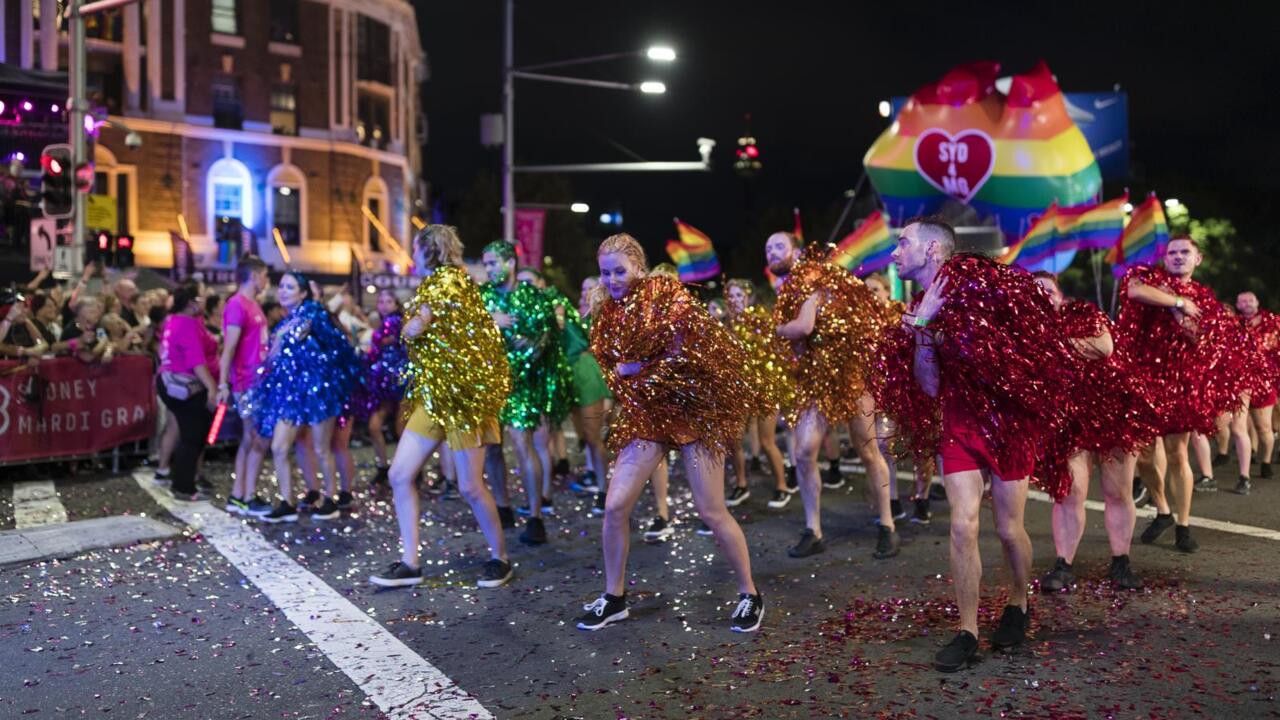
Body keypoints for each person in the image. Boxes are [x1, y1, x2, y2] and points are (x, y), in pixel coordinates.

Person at [877, 216, 1079, 671]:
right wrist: (925, 335)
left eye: (902, 243)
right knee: (962, 526)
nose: (894, 252)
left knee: (1009, 529)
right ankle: (967, 631)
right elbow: (929, 388)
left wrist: (944, 330)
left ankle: (1017, 601)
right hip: (960, 426)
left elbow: (1011, 359)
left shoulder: (983, 286)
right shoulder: (918, 305)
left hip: (1008, 425)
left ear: (931, 250)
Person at [575, 233, 763, 633]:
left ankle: (750, 593)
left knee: (711, 510)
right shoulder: (606, 314)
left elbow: (686, 353)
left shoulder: (666, 294)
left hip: (693, 413)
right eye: (605, 272)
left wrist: (639, 370)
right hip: (647, 417)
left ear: (639, 268)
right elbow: (613, 372)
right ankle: (614, 597)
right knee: (614, 506)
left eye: (619, 271)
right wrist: (633, 378)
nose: (611, 279)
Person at [369, 225, 514, 589]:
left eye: (415, 249)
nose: (412, 256)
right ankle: (410, 563)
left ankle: (500, 558)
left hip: (462, 398)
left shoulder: (447, 282)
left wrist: (415, 324)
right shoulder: (445, 282)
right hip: (435, 396)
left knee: (469, 486)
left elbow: (425, 322)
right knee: (400, 474)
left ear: (427, 250)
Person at [1117, 238, 1256, 552]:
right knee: (1146, 456)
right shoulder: (1150, 278)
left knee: (1179, 453)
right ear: (1165, 258)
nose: (1178, 257)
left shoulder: (1206, 300)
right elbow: (1134, 290)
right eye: (1172, 252)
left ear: (1198, 259)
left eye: (1185, 252)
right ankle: (1163, 510)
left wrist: (1183, 319)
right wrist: (1177, 302)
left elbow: (1201, 341)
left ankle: (1183, 524)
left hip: (1181, 383)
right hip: (1145, 380)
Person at [767, 231, 899, 559]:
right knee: (803, 452)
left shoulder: (809, 276)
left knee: (868, 451)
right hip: (815, 380)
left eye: (778, 246)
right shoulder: (787, 287)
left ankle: (887, 525)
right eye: (767, 248)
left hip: (850, 374)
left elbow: (803, 327)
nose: (771, 252)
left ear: (796, 251)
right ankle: (813, 530)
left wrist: (778, 330)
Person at [1032, 272, 1154, 592]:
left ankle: (1121, 562)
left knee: (1118, 491)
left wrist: (1049, 344)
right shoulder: (1022, 329)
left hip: (1113, 410)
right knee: (1070, 492)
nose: (1041, 295)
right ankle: (1063, 564)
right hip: (1066, 420)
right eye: (1033, 291)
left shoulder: (1082, 313)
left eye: (1047, 290)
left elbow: (1103, 347)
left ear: (1060, 295)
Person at [246, 270, 360, 523]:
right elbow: (276, 359)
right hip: (291, 395)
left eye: (289, 287)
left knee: (321, 448)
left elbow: (336, 345)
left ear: (303, 293)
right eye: (282, 286)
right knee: (278, 446)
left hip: (319, 392)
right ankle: (287, 502)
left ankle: (329, 499)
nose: (283, 291)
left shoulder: (313, 315)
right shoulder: (284, 323)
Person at [479, 241, 574, 543]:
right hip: (490, 383)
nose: (490, 269)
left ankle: (535, 516)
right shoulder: (482, 298)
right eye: (487, 264)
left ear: (510, 262)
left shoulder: (532, 296)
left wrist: (524, 342)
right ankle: (504, 506)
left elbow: (546, 340)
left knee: (523, 444)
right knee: (492, 447)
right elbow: (467, 335)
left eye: (494, 263)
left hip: (523, 385)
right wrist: (489, 323)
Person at [723, 279, 792, 509]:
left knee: (766, 441)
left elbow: (773, 353)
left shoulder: (761, 321)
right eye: (731, 296)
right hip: (738, 390)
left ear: (749, 297)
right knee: (733, 441)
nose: (735, 300)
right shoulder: (726, 325)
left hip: (765, 388)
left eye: (739, 295)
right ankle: (741, 485)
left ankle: (782, 486)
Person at [216, 255, 273, 516]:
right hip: (246, 381)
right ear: (253, 276)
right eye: (264, 275)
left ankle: (241, 494)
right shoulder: (238, 305)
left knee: (251, 440)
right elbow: (229, 348)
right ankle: (246, 495)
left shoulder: (252, 305)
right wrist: (223, 384)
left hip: (256, 381)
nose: (266, 281)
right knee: (256, 439)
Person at [156, 282, 220, 501]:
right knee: (193, 437)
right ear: (192, 303)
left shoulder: (171, 320)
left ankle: (182, 480)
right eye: (202, 296)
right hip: (185, 386)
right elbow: (196, 360)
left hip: (169, 382)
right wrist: (212, 387)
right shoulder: (187, 323)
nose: (205, 299)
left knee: (186, 434)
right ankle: (184, 486)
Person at [354, 289, 409, 486]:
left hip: (401, 381)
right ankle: (383, 466)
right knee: (374, 426)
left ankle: (410, 469)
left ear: (396, 304)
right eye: (381, 301)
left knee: (401, 427)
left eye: (389, 301)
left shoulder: (396, 323)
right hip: (382, 382)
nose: (384, 304)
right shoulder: (382, 325)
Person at [1236, 291, 1278, 484]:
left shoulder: (1272, 322)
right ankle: (1245, 468)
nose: (1247, 304)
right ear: (1238, 305)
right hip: (1240, 382)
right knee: (1241, 426)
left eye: (1251, 300)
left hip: (1264, 381)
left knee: (1264, 427)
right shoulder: (1233, 325)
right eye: (1243, 301)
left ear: (1257, 302)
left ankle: (1266, 462)